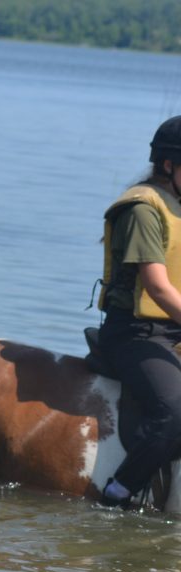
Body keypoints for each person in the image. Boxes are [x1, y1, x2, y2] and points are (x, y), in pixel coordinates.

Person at [97, 115, 181, 508]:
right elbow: (159, 289)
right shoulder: (143, 210)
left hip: (173, 330)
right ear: (168, 165)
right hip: (136, 332)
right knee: (174, 407)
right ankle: (118, 493)